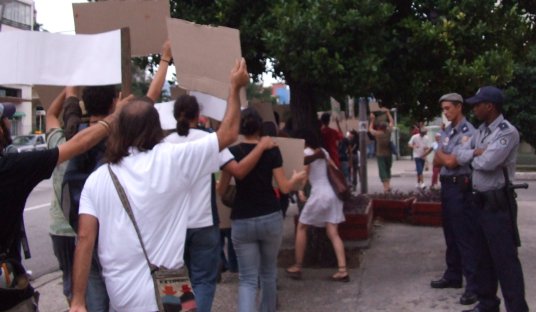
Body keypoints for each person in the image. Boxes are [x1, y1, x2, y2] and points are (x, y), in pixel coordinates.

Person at [68, 58, 249, 312]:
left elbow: (85, 238)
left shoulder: (97, 179)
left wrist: (77, 300)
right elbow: (229, 134)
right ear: (155, 128)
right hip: (173, 285)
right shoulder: (174, 159)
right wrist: (235, 88)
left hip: (123, 296)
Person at [0, 93, 132, 311]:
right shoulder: (12, 168)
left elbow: (54, 117)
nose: (7, 123)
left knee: (76, 283)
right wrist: (115, 117)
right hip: (8, 291)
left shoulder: (18, 162)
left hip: (59, 233)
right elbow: (78, 144)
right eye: (5, 120)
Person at [164, 94, 276, 311]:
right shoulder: (210, 140)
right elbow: (239, 171)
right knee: (203, 281)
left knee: (176, 279)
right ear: (199, 115)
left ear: (175, 116)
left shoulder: (162, 144)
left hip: (172, 225)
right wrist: (261, 148)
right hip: (204, 221)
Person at [439, 86, 528, 312]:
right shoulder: (481, 131)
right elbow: (458, 152)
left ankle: (517, 308)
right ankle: (488, 304)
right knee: (482, 258)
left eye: (478, 104)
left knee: (505, 262)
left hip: (497, 203)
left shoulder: (506, 132)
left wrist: (472, 156)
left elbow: (487, 163)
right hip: (477, 201)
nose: (475, 108)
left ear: (490, 106)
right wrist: (474, 154)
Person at [218, 107, 305, 312]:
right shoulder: (272, 150)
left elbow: (222, 191)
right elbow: (283, 187)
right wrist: (295, 180)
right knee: (268, 273)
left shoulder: (232, 153)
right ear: (260, 128)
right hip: (270, 216)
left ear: (240, 128)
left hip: (242, 218)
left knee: (247, 279)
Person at [431, 93, 478, 306]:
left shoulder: (469, 133)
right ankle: (453, 275)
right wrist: (443, 155)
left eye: (449, 108)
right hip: (447, 186)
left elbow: (449, 161)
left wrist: (443, 155)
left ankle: (473, 285)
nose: (446, 112)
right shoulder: (448, 131)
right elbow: (436, 160)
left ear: (459, 107)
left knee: (464, 236)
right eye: (444, 108)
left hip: (461, 187)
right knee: (450, 232)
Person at [286, 128, 349, 282]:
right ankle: (342, 269)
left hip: (320, 194)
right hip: (334, 195)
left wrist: (300, 191)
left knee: (302, 226)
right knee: (333, 232)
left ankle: (298, 265)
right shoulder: (323, 152)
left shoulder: (306, 153)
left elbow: (305, 174)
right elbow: (334, 168)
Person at [369, 108, 394, 192]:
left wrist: (372, 120)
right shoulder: (389, 131)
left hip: (380, 154)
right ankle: (388, 185)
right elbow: (392, 122)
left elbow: (370, 129)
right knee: (388, 169)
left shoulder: (377, 134)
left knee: (382, 170)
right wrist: (388, 113)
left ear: (379, 127)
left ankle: (385, 187)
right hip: (388, 153)